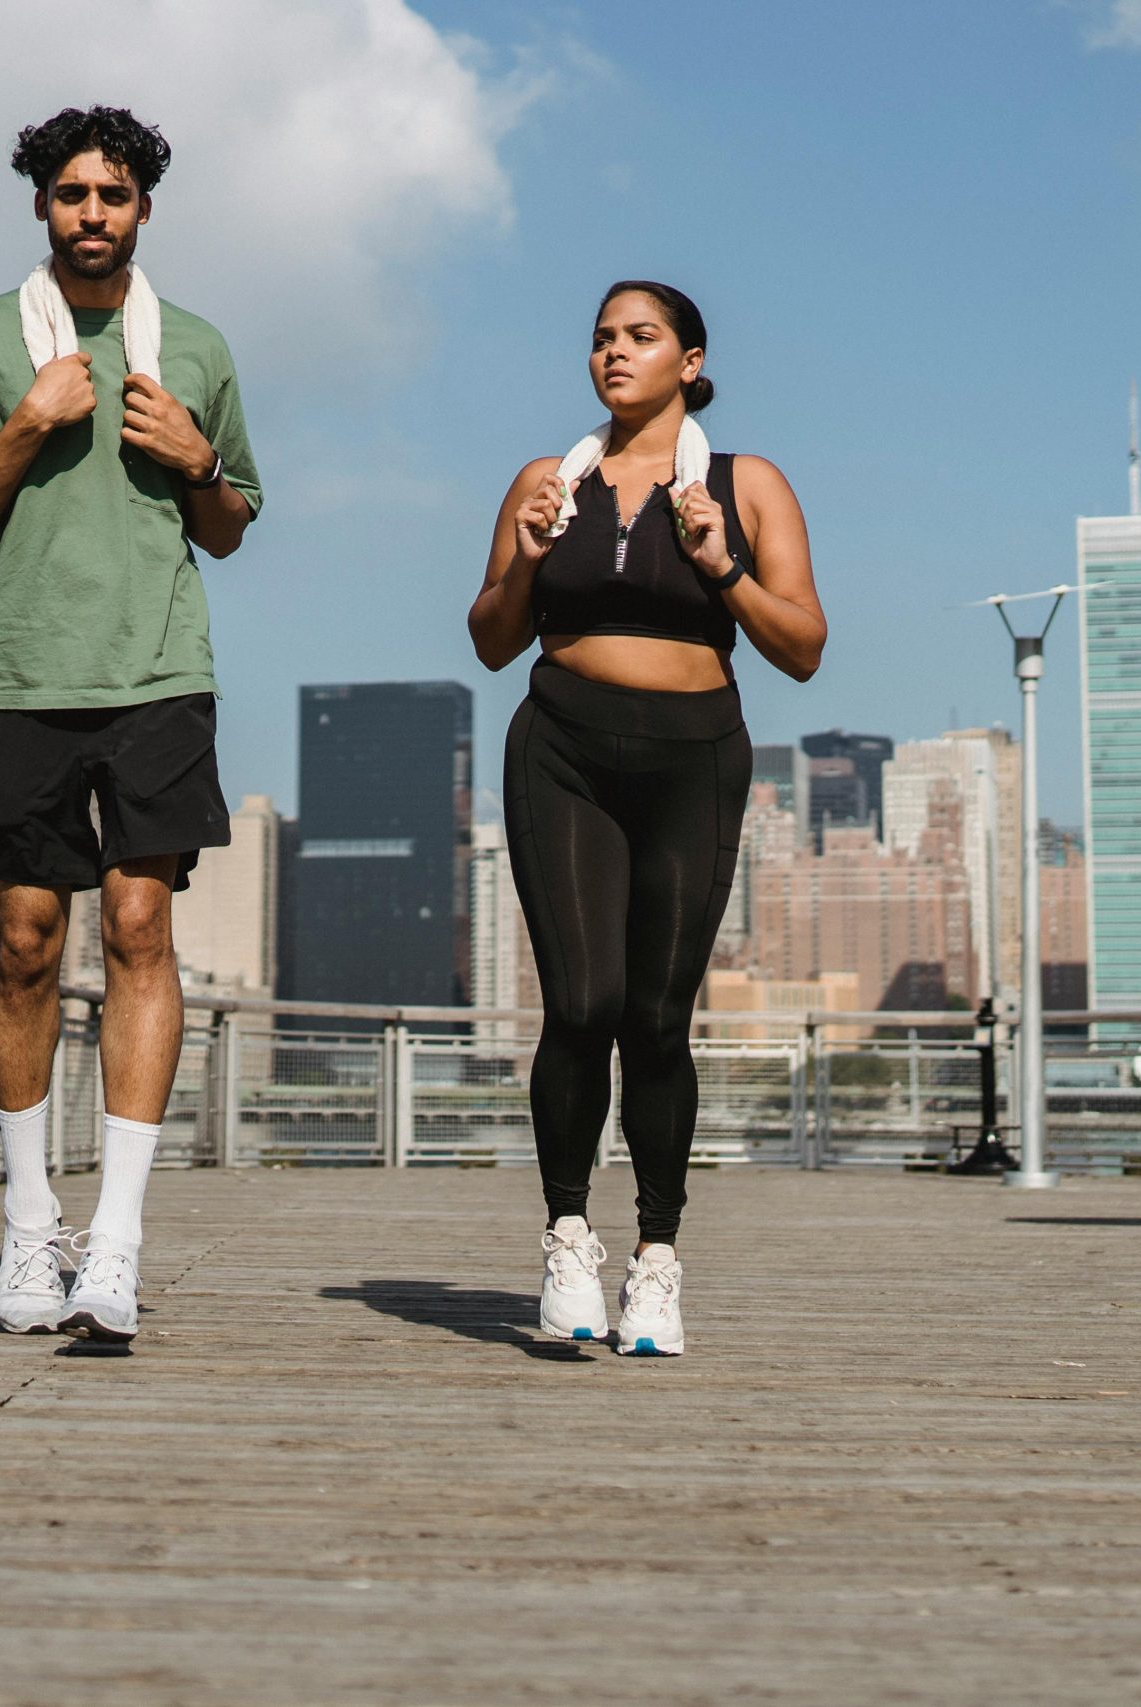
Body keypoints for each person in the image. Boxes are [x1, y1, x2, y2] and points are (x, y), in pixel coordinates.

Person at [0, 106, 263, 1343]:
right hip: (19, 677)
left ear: (144, 209)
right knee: (20, 941)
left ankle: (114, 1240)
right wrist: (30, 423)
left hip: (161, 672)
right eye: (70, 195)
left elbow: (227, 524)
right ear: (41, 208)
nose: (92, 213)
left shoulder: (196, 347)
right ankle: (26, 1227)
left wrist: (199, 462)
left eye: (113, 194)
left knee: (140, 924)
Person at [466, 281, 825, 1355]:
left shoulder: (745, 483)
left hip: (693, 760)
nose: (613, 355)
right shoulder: (546, 480)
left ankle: (657, 1261)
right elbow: (489, 639)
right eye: (600, 340)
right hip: (562, 747)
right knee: (581, 1003)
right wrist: (529, 555)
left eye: (639, 338)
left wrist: (722, 564)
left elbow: (802, 646)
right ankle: (568, 1237)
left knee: (658, 1021)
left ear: (691, 360)